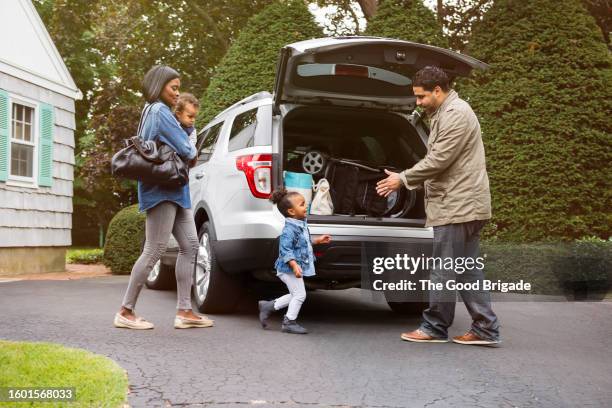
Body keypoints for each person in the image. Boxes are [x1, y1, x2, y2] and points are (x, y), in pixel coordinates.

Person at [376, 66, 500, 346]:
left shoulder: (455, 115)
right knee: (468, 268)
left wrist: (403, 179)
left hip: (458, 205)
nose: (418, 103)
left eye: (421, 97)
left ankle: (435, 327)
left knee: (444, 268)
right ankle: (485, 329)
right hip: (462, 203)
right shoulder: (445, 113)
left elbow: (439, 160)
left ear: (438, 90)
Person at [114, 65, 213, 330]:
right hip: (161, 190)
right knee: (155, 249)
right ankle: (125, 311)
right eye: (174, 87)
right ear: (159, 85)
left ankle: (184, 311)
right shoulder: (158, 111)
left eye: (179, 88)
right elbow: (186, 149)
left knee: (191, 246)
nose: (177, 93)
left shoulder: (157, 112)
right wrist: (189, 140)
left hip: (176, 189)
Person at [258, 189, 331, 334]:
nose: (306, 206)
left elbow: (301, 244)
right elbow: (286, 250)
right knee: (300, 295)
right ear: (291, 211)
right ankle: (289, 322)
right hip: (288, 269)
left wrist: (317, 241)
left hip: (293, 268)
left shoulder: (300, 224)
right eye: (302, 204)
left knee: (295, 294)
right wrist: (294, 265)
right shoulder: (289, 230)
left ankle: (268, 306)